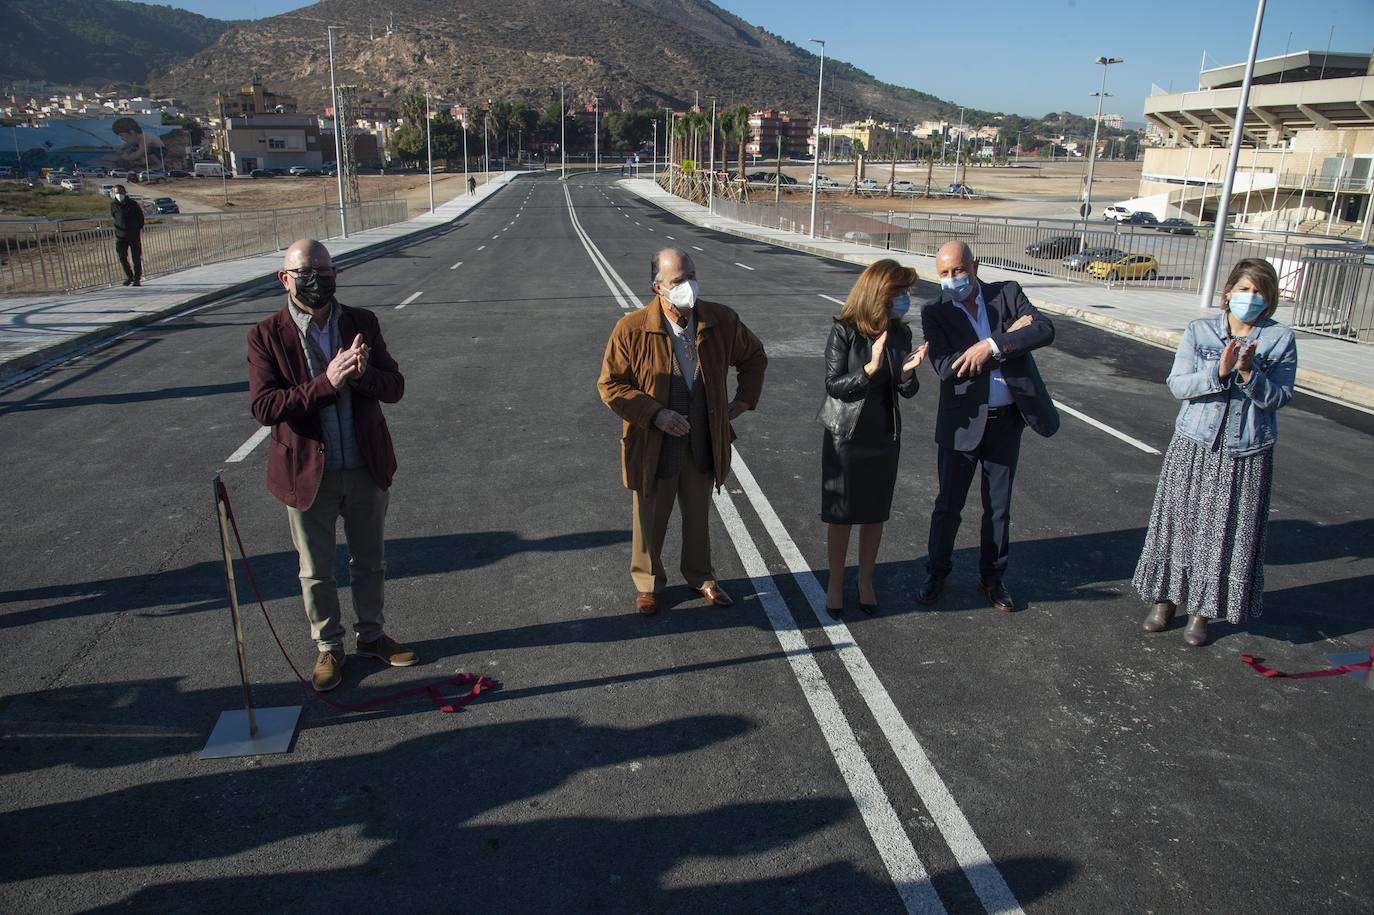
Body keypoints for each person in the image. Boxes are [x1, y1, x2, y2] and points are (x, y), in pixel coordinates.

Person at [247, 238, 415, 691]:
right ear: (285, 279)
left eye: (324, 270)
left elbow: (394, 387)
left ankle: (373, 636)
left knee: (370, 561)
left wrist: (362, 376)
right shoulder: (266, 335)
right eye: (306, 272)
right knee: (316, 569)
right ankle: (328, 646)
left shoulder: (361, 322)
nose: (317, 279)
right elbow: (265, 407)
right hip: (307, 474)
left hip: (364, 465)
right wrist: (327, 382)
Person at [1133, 258, 1297, 646]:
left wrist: (1248, 374)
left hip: (1246, 451)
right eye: (1243, 289)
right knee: (1179, 524)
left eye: (1258, 291)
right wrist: (1219, 373)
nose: (1250, 297)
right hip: (1194, 444)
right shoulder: (1200, 330)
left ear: (1269, 298)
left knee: (1225, 534)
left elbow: (1280, 397)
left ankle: (1204, 612)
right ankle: (1165, 600)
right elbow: (1178, 385)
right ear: (1228, 293)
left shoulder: (1279, 339)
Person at [598, 247, 768, 616]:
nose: (688, 286)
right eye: (678, 280)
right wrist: (654, 414)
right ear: (657, 286)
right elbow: (611, 385)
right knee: (649, 519)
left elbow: (754, 356)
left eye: (691, 276)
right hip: (654, 444)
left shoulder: (720, 320)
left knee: (698, 516)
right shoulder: (632, 328)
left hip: (703, 440)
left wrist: (743, 401)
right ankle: (648, 584)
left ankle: (701, 576)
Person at [917, 241, 1059, 612]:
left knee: (998, 509)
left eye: (959, 271)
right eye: (944, 274)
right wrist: (1012, 339)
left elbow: (1044, 330)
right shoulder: (934, 312)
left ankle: (993, 580)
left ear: (975, 266)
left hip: (1006, 423)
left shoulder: (1007, 294)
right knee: (948, 506)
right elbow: (948, 368)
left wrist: (993, 344)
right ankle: (936, 573)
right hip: (961, 424)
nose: (952, 280)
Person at [819, 259, 927, 617]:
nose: (905, 299)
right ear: (880, 292)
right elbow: (834, 385)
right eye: (900, 292)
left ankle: (866, 581)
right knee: (842, 514)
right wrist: (868, 369)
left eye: (907, 292)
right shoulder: (845, 330)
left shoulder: (900, 333)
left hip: (883, 435)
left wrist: (908, 374)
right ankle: (836, 582)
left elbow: (904, 390)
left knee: (874, 514)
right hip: (846, 436)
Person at [109, 185, 143, 287]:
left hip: (133, 235)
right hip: (120, 236)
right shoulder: (113, 205)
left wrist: (136, 229)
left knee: (136, 257)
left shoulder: (133, 204)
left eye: (120, 192)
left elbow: (140, 218)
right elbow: (114, 216)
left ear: (124, 192)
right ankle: (129, 276)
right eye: (116, 193)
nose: (119, 195)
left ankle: (137, 279)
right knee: (122, 257)